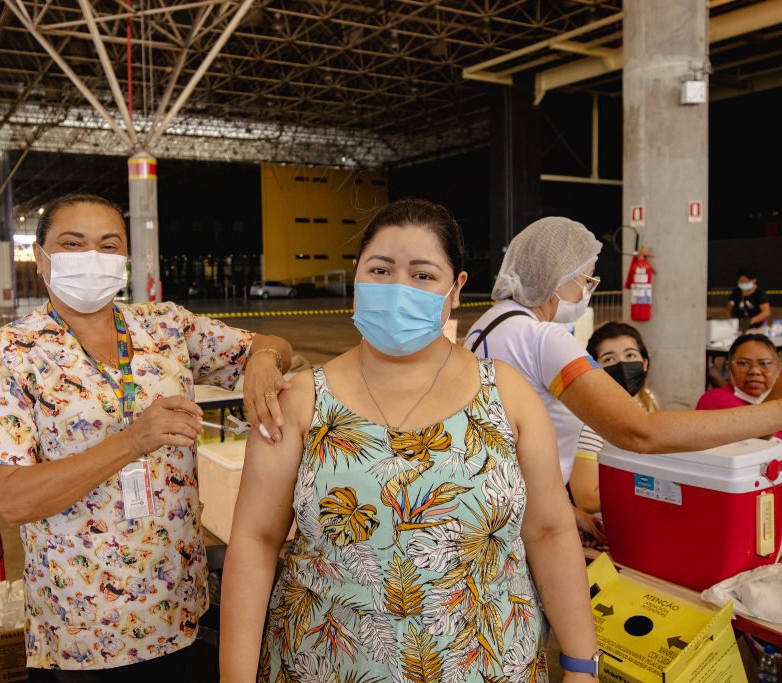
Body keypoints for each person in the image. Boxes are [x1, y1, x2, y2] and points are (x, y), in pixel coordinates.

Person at [221, 199, 599, 682]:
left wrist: (581, 664)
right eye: (380, 270)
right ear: (356, 278)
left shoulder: (507, 394)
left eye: (423, 275)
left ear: (456, 289)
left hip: (489, 665)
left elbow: (549, 531)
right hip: (324, 664)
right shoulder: (298, 400)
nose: (399, 288)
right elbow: (256, 541)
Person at [0, 193, 293, 679]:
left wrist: (262, 359)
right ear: (40, 255)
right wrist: (133, 441)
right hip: (82, 633)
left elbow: (271, 345)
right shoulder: (9, 354)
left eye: (108, 245)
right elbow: (13, 500)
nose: (92, 258)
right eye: (73, 244)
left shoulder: (165, 326)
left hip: (181, 613)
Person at [465, 216, 782, 504]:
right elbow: (640, 431)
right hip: (523, 516)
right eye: (586, 281)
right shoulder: (543, 338)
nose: (586, 292)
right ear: (557, 276)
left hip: (493, 499)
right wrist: (775, 413)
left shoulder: (484, 328)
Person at [569, 322, 660, 515]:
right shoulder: (591, 422)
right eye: (609, 359)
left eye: (630, 355)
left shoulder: (648, 402)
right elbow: (587, 498)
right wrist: (656, 492)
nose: (622, 365)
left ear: (645, 363)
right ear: (594, 370)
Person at [697, 333, 782, 439]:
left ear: (778, 369)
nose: (755, 371)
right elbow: (754, 443)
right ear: (730, 369)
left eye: (764, 363)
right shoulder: (714, 400)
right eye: (743, 363)